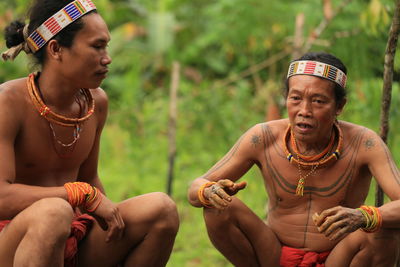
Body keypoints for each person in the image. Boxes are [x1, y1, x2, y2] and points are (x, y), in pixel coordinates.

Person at [0, 0, 179, 266]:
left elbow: (89, 177)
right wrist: (79, 194)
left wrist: (106, 216)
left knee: (161, 210)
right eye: (97, 46)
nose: (107, 58)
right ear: (56, 49)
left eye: (106, 46)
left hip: (72, 232)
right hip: (12, 240)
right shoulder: (8, 102)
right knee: (53, 212)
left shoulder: (96, 103)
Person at [188, 51, 400, 267]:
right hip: (272, 253)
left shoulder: (364, 143)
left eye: (318, 101)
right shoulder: (263, 137)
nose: (304, 111)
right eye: (296, 98)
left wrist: (363, 217)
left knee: (381, 232)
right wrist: (209, 191)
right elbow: (195, 188)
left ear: (339, 106)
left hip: (339, 257)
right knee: (217, 209)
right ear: (286, 99)